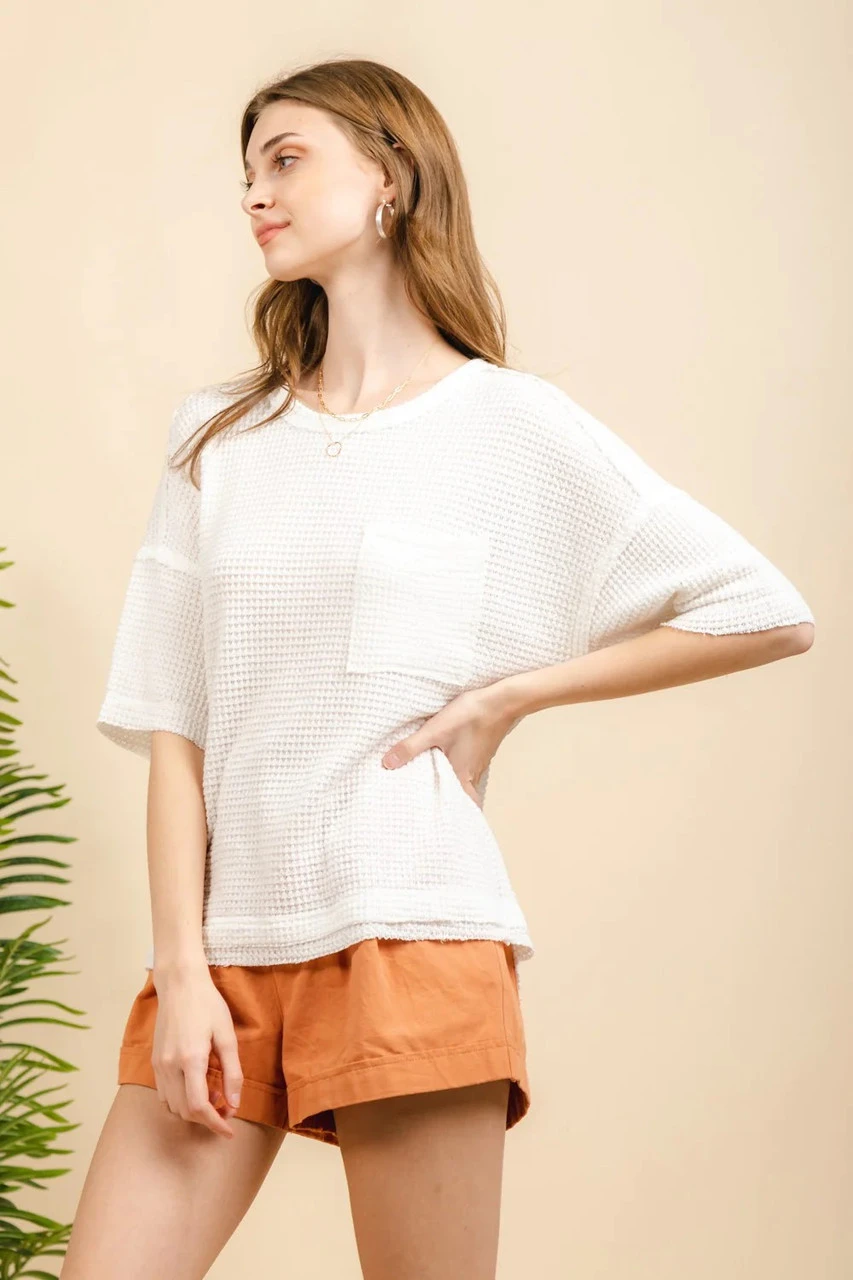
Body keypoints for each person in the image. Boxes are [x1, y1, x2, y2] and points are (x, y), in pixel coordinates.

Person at [62, 57, 815, 1280]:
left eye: (286, 159)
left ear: (392, 179)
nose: (255, 193)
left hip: (414, 929)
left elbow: (767, 612)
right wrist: (179, 968)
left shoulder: (509, 426)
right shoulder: (219, 436)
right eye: (246, 171)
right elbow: (173, 720)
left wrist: (508, 695)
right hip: (227, 944)